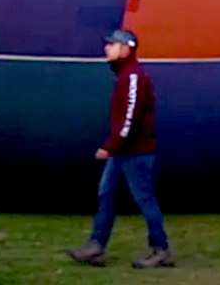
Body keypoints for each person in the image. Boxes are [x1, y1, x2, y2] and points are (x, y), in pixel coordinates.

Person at [66, 28, 174, 269]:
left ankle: (161, 249)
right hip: (124, 152)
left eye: (113, 44)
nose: (107, 48)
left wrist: (111, 146)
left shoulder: (133, 76)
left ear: (127, 48)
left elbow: (130, 117)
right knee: (106, 194)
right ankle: (96, 246)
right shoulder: (126, 75)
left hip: (135, 152)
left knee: (144, 199)